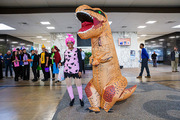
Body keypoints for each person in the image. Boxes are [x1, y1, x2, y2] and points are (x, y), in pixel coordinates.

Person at [63, 34, 84, 107]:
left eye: (71, 42)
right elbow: (65, 60)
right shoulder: (65, 51)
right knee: (68, 85)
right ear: (66, 44)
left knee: (78, 84)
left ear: (73, 43)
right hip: (67, 70)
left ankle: (81, 99)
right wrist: (60, 63)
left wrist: (80, 70)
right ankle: (72, 98)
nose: (70, 44)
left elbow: (80, 61)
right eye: (68, 43)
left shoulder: (77, 50)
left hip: (76, 70)